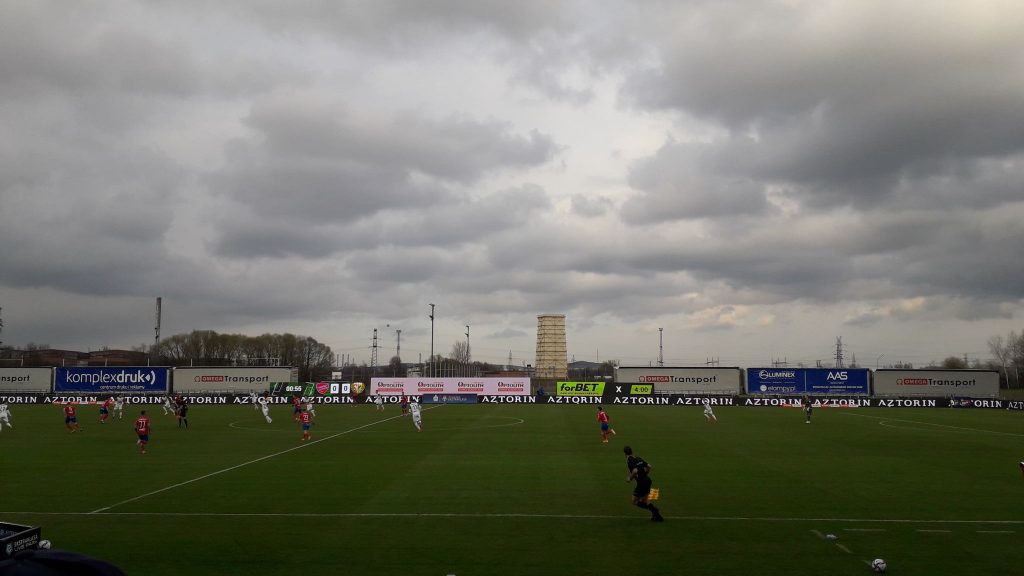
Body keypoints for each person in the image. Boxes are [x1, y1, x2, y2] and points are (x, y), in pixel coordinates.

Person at [624, 446, 664, 522]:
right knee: (645, 500)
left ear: (625, 454)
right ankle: (656, 516)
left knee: (634, 501)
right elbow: (649, 466)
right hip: (648, 480)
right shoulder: (638, 458)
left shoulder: (629, 460)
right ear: (632, 451)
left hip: (642, 482)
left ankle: (654, 510)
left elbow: (635, 471)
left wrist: (630, 478)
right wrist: (645, 474)